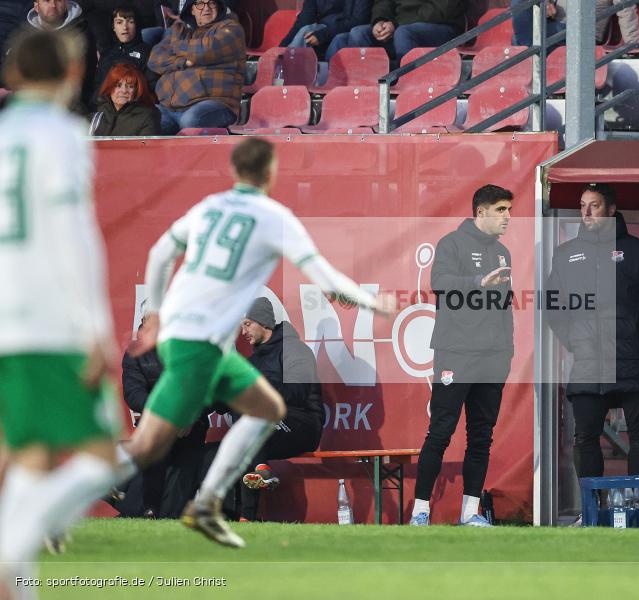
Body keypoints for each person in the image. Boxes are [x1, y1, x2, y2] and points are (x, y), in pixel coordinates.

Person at [117, 137, 396, 548]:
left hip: (180, 336)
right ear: (270, 173)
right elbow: (323, 273)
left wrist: (156, 314)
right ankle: (203, 505)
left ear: (233, 171)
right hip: (202, 344)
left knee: (222, 421)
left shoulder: (209, 207)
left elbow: (160, 254)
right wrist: (369, 299)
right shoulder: (273, 216)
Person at [0, 28, 120, 592]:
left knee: (32, 455)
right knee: (104, 455)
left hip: (6, 317)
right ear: (71, 75)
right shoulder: (63, 135)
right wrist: (95, 328)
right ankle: (9, 549)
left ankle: (18, 586)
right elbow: (74, 235)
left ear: (14, 76)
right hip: (47, 320)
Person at [545, 183, 639, 486]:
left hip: (635, 358)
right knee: (585, 437)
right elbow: (553, 305)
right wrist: (573, 340)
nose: (586, 212)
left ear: (611, 209)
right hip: (589, 361)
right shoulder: (567, 254)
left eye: (594, 205)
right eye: (582, 206)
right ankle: (592, 513)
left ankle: (636, 508)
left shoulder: (637, 250)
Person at [409, 184, 515, 527]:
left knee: (481, 436)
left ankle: (470, 514)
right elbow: (439, 282)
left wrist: (507, 351)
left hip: (492, 359)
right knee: (440, 432)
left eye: (509, 210)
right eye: (501, 210)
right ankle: (420, 512)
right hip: (456, 354)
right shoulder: (451, 244)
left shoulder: (504, 253)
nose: (507, 217)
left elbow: (505, 308)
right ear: (480, 212)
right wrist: (477, 281)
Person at [236, 297, 324, 522]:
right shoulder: (254, 360)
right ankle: (246, 517)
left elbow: (298, 393)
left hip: (303, 424)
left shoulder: (295, 349)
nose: (243, 331)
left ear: (264, 323)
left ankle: (250, 506)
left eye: (247, 324)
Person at [121, 305, 209, 518]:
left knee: (185, 469)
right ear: (144, 320)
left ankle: (162, 512)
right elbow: (134, 394)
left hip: (190, 424)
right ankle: (149, 508)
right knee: (155, 453)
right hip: (158, 422)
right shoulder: (135, 353)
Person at [148, 0, 245, 135]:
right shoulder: (179, 30)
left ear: (219, 6)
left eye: (211, 3)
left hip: (215, 104)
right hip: (170, 108)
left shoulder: (232, 29)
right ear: (192, 9)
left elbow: (204, 50)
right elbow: (154, 59)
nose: (206, 8)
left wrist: (175, 46)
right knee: (144, 119)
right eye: (199, 3)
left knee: (191, 121)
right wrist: (182, 62)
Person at [326, 0, 465, 61]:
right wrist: (379, 21)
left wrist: (396, 24)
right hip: (399, 26)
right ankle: (364, 86)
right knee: (358, 33)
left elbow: (440, 10)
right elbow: (384, 3)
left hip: (443, 27)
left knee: (403, 33)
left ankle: (405, 81)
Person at [24, 0, 98, 112]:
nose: (53, 5)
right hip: (33, 108)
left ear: (65, 4)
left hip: (73, 108)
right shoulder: (25, 37)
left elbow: (86, 79)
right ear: (36, 6)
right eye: (47, 1)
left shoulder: (82, 33)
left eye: (58, 0)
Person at [511, 1, 639, 48]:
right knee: (522, 38)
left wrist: (635, 43)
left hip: (583, 33)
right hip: (557, 25)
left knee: (524, 39)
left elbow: (625, 8)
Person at [94, 5, 153, 99]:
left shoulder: (148, 52)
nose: (125, 27)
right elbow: (97, 88)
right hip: (103, 107)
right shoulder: (106, 54)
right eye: (119, 22)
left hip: (134, 107)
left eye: (130, 22)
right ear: (113, 27)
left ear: (136, 25)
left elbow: (150, 89)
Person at [279, 0, 371, 61]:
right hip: (325, 29)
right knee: (306, 30)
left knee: (338, 39)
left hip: (347, 30)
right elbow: (304, 20)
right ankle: (285, 72)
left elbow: (359, 20)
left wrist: (323, 35)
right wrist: (281, 48)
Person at [92, 62, 160, 135]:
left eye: (130, 86)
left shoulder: (148, 117)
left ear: (136, 90)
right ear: (110, 87)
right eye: (118, 85)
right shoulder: (96, 115)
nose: (124, 91)